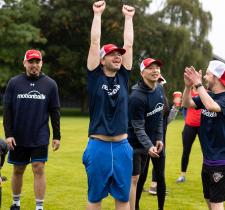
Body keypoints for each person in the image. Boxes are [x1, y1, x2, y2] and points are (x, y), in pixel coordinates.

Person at [82, 1, 135, 210]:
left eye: (119, 55)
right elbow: (95, 43)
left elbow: (129, 45)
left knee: (123, 199)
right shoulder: (95, 77)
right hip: (98, 147)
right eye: (112, 54)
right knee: (95, 198)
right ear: (102, 60)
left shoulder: (123, 77)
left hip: (122, 147)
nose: (118, 56)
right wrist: (97, 14)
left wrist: (129, 18)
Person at [3, 49, 61, 210]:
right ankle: (15, 203)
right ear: (25, 63)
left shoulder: (50, 84)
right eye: (31, 62)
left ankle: (39, 207)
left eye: (37, 62)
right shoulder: (14, 83)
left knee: (39, 168)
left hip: (40, 135)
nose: (34, 65)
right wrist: (8, 135)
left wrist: (57, 136)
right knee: (18, 169)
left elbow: (55, 111)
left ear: (41, 63)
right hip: (18, 136)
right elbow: (7, 111)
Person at [182, 60, 225, 210]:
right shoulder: (209, 95)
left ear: (216, 77)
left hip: (221, 162)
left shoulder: (222, 98)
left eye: (207, 74)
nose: (205, 77)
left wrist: (198, 85)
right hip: (207, 161)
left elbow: (211, 106)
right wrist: (188, 87)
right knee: (209, 201)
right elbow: (187, 104)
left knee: (216, 205)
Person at [128, 58, 165, 210]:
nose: (155, 70)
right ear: (142, 73)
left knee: (158, 177)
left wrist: (159, 137)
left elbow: (159, 117)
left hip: (152, 142)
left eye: (157, 67)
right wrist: (149, 145)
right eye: (150, 68)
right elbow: (138, 128)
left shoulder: (160, 89)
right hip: (135, 144)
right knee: (136, 179)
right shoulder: (136, 96)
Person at [176, 86, 201, 183]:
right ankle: (182, 175)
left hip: (202, 126)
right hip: (189, 126)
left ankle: (209, 175)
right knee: (186, 151)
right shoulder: (189, 92)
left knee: (206, 151)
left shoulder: (204, 91)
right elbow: (184, 105)